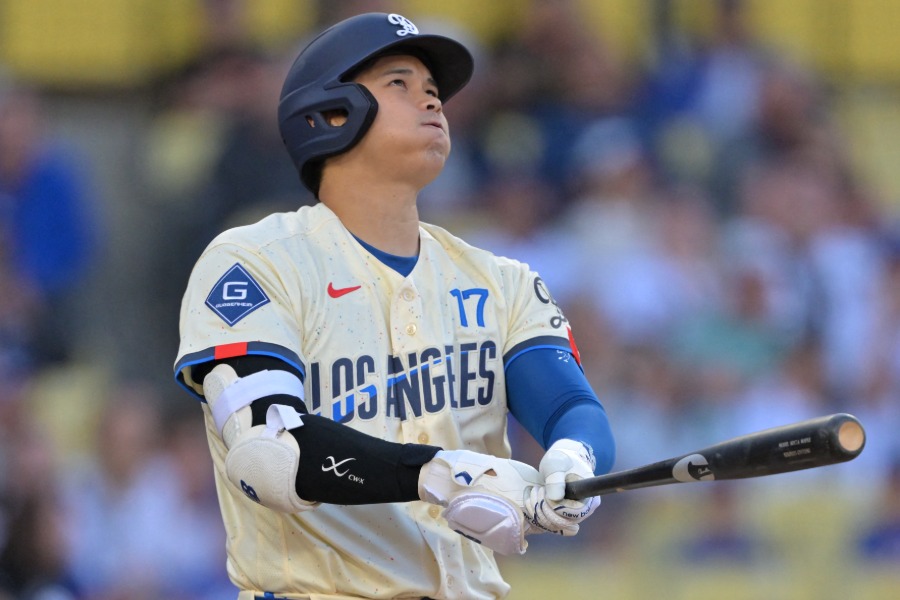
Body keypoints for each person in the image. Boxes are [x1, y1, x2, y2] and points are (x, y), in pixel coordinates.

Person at [173, 12, 615, 600]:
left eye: (434, 91)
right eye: (400, 84)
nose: (432, 100)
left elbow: (569, 404)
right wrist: (444, 476)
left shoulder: (502, 279)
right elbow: (269, 458)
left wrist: (572, 459)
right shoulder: (254, 261)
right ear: (330, 115)